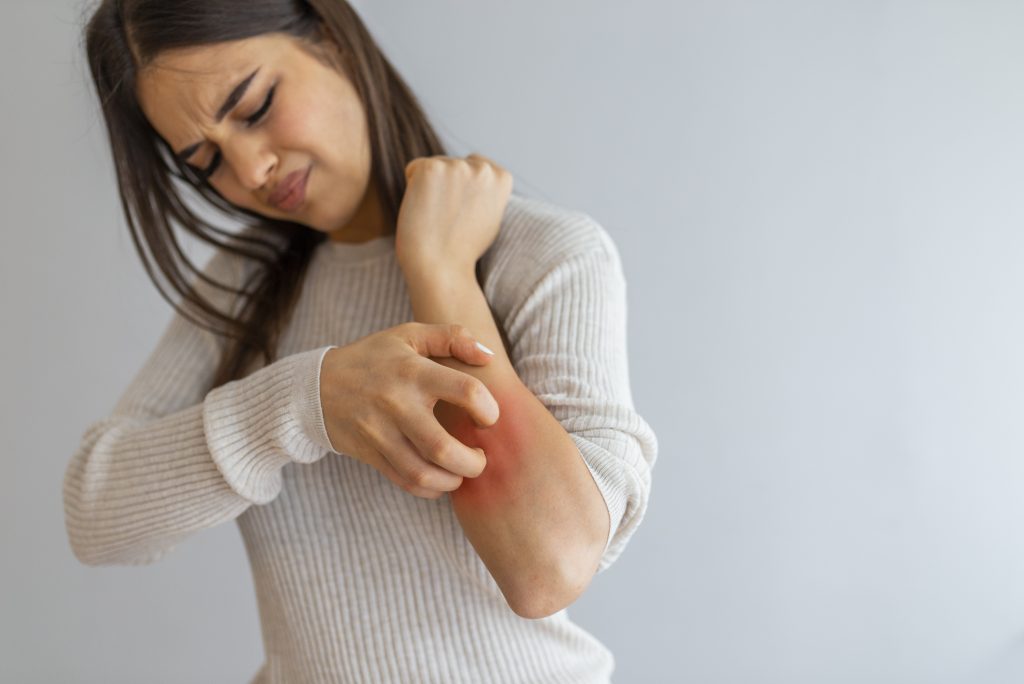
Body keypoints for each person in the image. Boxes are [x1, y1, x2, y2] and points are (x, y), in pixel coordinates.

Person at [62, 1, 659, 682]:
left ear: (330, 37)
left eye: (254, 108)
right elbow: (96, 513)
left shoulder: (542, 258)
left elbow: (546, 568)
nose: (251, 169)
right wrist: (304, 402)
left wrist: (439, 270)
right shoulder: (244, 292)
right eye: (206, 162)